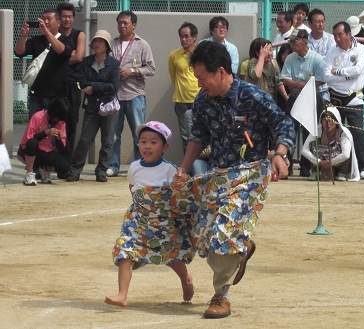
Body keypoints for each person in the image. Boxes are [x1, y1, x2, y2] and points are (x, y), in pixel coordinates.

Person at [173, 41, 295, 318]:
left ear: (220, 72)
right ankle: (244, 246)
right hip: (218, 175)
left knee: (223, 234)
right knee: (204, 236)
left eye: (202, 79)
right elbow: (198, 136)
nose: (200, 85)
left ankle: (221, 296)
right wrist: (183, 168)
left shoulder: (252, 95)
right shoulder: (202, 100)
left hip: (250, 173)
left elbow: (283, 123)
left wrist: (280, 152)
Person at [105, 121, 196, 307]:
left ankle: (186, 279)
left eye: (153, 142)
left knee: (171, 257)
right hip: (138, 221)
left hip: (163, 224)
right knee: (125, 251)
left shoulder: (170, 170)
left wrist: (185, 180)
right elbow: (133, 187)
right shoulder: (134, 167)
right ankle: (122, 295)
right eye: (143, 141)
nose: (147, 146)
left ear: (165, 147)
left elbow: (181, 194)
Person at [65, 30, 120, 183]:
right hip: (91, 108)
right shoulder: (86, 62)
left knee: (108, 141)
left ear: (107, 46)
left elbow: (114, 86)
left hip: (109, 108)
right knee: (84, 140)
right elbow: (82, 82)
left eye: (100, 42)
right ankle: (75, 170)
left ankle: (101, 171)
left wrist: (94, 87)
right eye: (95, 41)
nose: (97, 44)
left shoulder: (114, 64)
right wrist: (99, 86)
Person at [107, 11, 156, 177]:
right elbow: (106, 65)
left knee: (139, 134)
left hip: (135, 95)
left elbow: (151, 69)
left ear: (133, 25)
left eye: (125, 23)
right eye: (120, 22)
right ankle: (113, 166)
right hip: (115, 96)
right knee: (113, 134)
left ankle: (140, 166)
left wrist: (132, 71)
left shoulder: (142, 44)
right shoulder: (111, 44)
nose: (122, 26)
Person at [324, 21, 364, 180]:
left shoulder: (361, 49)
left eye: (340, 34)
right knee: (335, 134)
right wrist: (345, 76)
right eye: (335, 35)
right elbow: (326, 76)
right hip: (334, 98)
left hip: (354, 98)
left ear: (349, 34)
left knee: (358, 133)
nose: (337, 38)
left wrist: (337, 72)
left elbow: (358, 71)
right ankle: (340, 169)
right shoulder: (331, 51)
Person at [280, 29, 325, 177]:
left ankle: (306, 166)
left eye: (295, 41)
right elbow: (284, 78)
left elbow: (319, 80)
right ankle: (288, 166)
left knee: (309, 132)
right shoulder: (290, 58)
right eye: (291, 41)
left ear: (304, 41)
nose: (292, 44)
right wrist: (301, 85)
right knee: (289, 130)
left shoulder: (317, 59)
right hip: (294, 96)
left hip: (312, 97)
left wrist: (297, 84)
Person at [14, 9, 73, 119]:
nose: (45, 22)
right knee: (36, 129)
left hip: (57, 95)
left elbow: (63, 51)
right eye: (44, 19)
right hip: (37, 94)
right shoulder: (36, 40)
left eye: (49, 19)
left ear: (58, 23)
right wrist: (23, 36)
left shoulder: (66, 40)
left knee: (55, 129)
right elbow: (19, 52)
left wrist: (48, 34)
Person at [19, 97, 70, 186]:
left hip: (48, 152)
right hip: (35, 151)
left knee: (65, 166)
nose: (57, 121)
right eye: (56, 118)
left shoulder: (61, 123)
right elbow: (28, 139)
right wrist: (45, 133)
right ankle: (29, 173)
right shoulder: (38, 116)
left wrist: (58, 139)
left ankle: (44, 169)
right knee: (32, 142)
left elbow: (63, 150)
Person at [56, 2, 86, 155]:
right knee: (54, 123)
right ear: (58, 19)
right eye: (64, 16)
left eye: (69, 16)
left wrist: (58, 60)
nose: (67, 19)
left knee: (72, 124)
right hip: (54, 86)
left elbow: (79, 57)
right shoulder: (53, 35)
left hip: (73, 85)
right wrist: (69, 56)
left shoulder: (79, 34)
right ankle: (51, 161)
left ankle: (67, 161)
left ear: (73, 18)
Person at [301, 107, 360, 182]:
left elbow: (346, 154)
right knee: (312, 145)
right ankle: (315, 171)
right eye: (325, 121)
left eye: (331, 121)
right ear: (321, 121)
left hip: (337, 160)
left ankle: (342, 172)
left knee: (347, 148)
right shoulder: (317, 131)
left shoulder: (343, 133)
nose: (328, 124)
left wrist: (330, 162)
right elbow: (304, 150)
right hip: (321, 158)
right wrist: (319, 162)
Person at [168, 22, 200, 152]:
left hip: (199, 100)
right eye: (181, 36)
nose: (183, 39)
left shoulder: (202, 54)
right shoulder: (174, 56)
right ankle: (188, 169)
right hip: (181, 102)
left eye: (186, 36)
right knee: (185, 136)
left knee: (201, 134)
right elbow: (173, 76)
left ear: (195, 37)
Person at [244, 38, 288, 103]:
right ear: (257, 53)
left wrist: (286, 97)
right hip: (257, 101)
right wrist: (261, 57)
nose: (270, 53)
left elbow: (278, 82)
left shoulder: (273, 62)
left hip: (272, 100)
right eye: (266, 51)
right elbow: (255, 75)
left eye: (271, 50)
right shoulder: (253, 62)